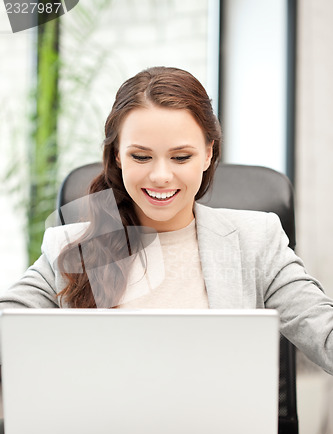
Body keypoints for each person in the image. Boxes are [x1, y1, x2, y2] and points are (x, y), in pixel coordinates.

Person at [0, 66, 333, 374]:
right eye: (141, 156)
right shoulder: (72, 247)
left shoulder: (256, 241)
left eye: (181, 157)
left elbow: (323, 332)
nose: (160, 176)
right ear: (118, 155)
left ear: (209, 153)